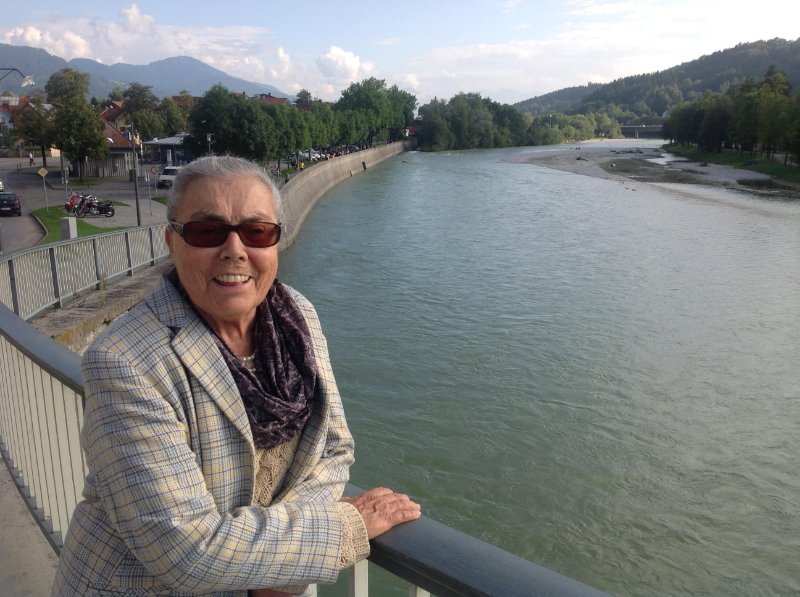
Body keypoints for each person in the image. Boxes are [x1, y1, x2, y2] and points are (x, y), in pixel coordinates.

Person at [52, 155, 421, 596]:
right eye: (207, 231)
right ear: (172, 242)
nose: (234, 249)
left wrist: (274, 569)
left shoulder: (298, 317)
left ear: (275, 241)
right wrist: (345, 527)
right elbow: (184, 550)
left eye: (257, 231)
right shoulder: (124, 361)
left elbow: (334, 447)